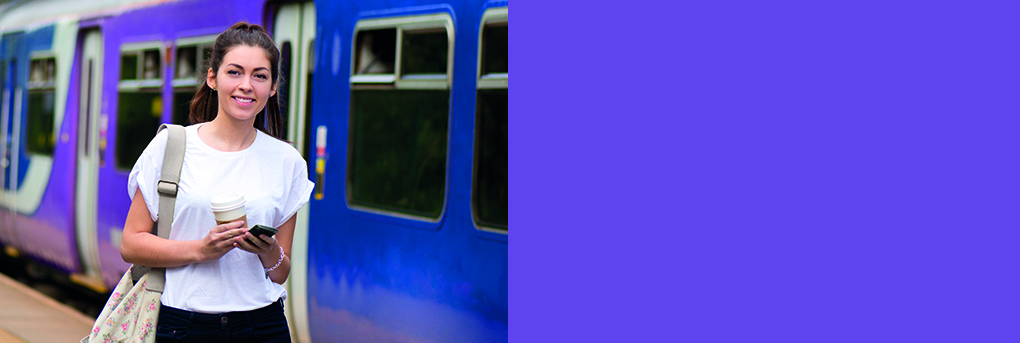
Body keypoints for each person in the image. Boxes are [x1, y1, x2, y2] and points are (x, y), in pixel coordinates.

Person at [120, 22, 313, 342]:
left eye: (260, 75)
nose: (246, 85)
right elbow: (131, 243)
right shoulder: (172, 146)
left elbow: (280, 271)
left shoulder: (287, 161)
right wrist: (201, 249)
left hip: (262, 326)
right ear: (213, 78)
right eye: (234, 72)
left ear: (274, 87)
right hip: (182, 325)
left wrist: (268, 250)